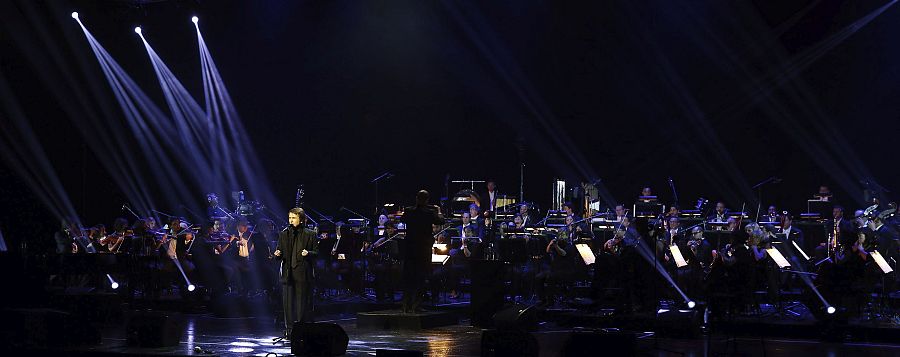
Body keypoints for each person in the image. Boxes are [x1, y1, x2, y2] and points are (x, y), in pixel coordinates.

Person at [274, 208, 319, 336]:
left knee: (301, 302)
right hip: (288, 272)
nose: (291, 220)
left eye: (293, 218)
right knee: (287, 302)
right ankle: (289, 329)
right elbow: (279, 251)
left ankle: (301, 329)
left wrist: (308, 253)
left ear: (301, 219)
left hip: (302, 271)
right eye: (289, 218)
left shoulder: (310, 234)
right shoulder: (284, 233)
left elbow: (316, 253)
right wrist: (277, 254)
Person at [399, 190, 444, 313]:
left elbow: (402, 220)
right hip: (423, 249)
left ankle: (406, 305)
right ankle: (416, 305)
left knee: (409, 277)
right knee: (421, 277)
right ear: (427, 200)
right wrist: (438, 211)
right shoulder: (429, 213)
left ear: (416, 198)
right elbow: (441, 221)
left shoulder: (409, 211)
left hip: (410, 248)